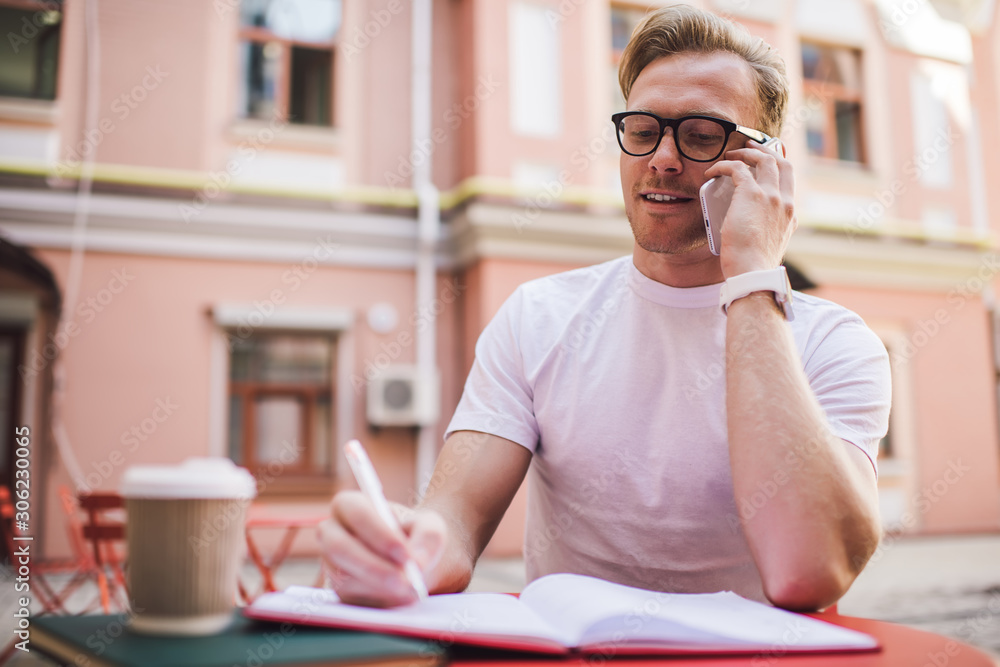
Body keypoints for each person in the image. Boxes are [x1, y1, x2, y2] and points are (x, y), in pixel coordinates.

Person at [318, 4, 890, 611]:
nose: (663, 158)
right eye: (643, 129)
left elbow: (810, 570)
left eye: (701, 135)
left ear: (767, 166)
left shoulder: (837, 344)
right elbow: (453, 523)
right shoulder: (537, 317)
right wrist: (407, 552)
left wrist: (751, 275)